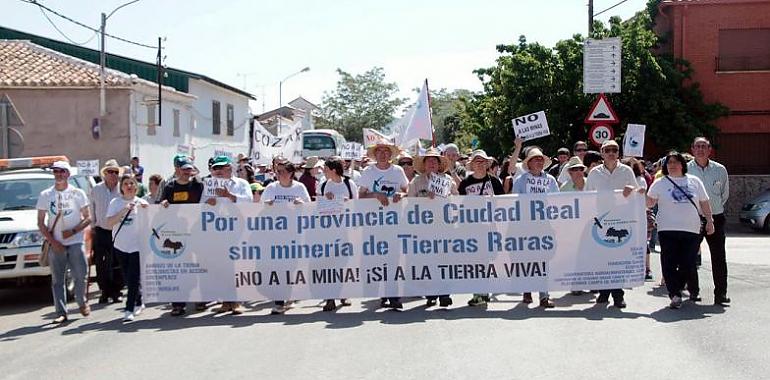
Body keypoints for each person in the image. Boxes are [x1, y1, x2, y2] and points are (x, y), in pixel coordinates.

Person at [647, 151, 715, 309]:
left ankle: (678, 286)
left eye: (675, 162)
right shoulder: (660, 182)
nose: (672, 165)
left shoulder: (694, 181)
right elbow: (649, 203)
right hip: (667, 229)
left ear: (682, 165)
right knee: (668, 262)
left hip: (691, 228)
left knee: (688, 262)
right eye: (669, 162)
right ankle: (675, 294)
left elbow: (704, 202)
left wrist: (710, 221)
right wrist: (640, 195)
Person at [585, 140, 644, 309]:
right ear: (602, 153)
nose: (611, 152)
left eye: (614, 150)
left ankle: (618, 295)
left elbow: (637, 193)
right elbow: (588, 197)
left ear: (618, 153)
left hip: (621, 220)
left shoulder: (627, 171)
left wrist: (631, 191)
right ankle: (604, 293)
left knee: (618, 260)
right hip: (601, 222)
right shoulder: (594, 173)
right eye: (607, 150)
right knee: (602, 259)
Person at [36, 161, 91, 324]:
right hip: (56, 243)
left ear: (68, 174)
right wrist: (53, 242)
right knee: (57, 280)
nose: (58, 174)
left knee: (80, 275)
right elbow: (40, 222)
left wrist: (73, 231)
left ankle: (81, 302)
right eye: (55, 172)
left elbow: (88, 218)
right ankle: (61, 312)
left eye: (61, 171)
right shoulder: (46, 195)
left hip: (75, 241)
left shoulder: (77, 193)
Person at [359, 141, 409, 310]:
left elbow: (407, 191)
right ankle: (382, 292)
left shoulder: (398, 171)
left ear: (390, 155)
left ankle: (394, 295)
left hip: (394, 223)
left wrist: (401, 194)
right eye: (379, 151)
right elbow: (361, 196)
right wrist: (375, 195)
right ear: (375, 154)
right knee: (377, 260)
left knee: (393, 259)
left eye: (385, 151)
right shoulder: (368, 171)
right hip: (374, 224)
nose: (382, 154)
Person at [201, 156, 254, 315]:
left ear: (229, 169)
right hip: (218, 231)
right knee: (222, 267)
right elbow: (200, 205)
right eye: (215, 168)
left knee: (236, 267)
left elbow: (249, 202)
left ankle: (236, 301)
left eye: (221, 168)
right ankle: (226, 301)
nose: (217, 171)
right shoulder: (208, 185)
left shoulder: (241, 184)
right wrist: (208, 203)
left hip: (238, 230)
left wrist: (229, 195)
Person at [408, 147, 459, 307]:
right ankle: (430, 293)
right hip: (423, 231)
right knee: (427, 262)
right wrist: (424, 201)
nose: (431, 163)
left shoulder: (447, 180)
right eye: (428, 160)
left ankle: (444, 294)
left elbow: (457, 199)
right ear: (424, 164)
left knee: (444, 261)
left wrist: (445, 197)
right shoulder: (416, 182)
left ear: (439, 164)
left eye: (434, 160)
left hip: (444, 228)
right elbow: (409, 203)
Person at [261, 157, 310, 314]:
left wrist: (301, 205)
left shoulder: (299, 187)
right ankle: (279, 301)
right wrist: (267, 205)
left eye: (282, 172)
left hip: (294, 234)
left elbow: (309, 206)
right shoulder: (271, 187)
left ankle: (290, 296)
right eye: (277, 171)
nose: (278, 174)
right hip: (275, 235)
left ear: (290, 173)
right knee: (277, 267)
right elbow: (258, 207)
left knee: (291, 267)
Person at [511, 148, 558, 308]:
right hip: (525, 226)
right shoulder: (520, 181)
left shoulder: (551, 180)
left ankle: (544, 295)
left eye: (541, 159)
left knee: (543, 260)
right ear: (529, 163)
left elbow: (558, 201)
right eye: (535, 159)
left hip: (544, 226)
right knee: (526, 260)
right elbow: (513, 203)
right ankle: (527, 290)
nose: (539, 162)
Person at [159, 155, 205, 316]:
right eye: (184, 169)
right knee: (179, 269)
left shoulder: (198, 185)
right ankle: (178, 303)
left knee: (199, 267)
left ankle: (200, 299)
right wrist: (163, 204)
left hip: (196, 231)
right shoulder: (169, 187)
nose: (187, 172)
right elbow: (160, 206)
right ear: (177, 169)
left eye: (189, 169)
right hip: (177, 234)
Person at [688, 137, 731, 305]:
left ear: (709, 149)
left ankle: (721, 294)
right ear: (692, 149)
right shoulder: (686, 169)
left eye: (703, 146)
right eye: (697, 146)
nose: (700, 149)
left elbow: (724, 194)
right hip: (693, 218)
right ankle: (693, 292)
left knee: (719, 257)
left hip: (716, 217)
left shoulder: (720, 170)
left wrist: (712, 212)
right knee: (689, 256)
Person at [460, 150, 504, 307]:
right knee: (473, 262)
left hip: (489, 227)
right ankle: (478, 293)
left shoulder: (495, 182)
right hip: (472, 228)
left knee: (485, 261)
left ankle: (483, 293)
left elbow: (503, 204)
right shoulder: (465, 183)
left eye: (483, 161)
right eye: (477, 161)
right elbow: (459, 205)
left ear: (487, 164)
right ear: (472, 164)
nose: (480, 164)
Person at [105, 174, 149, 322]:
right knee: (127, 277)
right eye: (126, 184)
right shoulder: (115, 203)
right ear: (121, 187)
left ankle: (129, 308)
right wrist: (124, 210)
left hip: (137, 246)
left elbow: (153, 220)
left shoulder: (142, 202)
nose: (129, 186)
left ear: (136, 187)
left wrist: (149, 209)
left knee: (133, 277)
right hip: (120, 245)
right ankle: (138, 299)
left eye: (131, 183)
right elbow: (109, 223)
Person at [317, 157, 358, 311]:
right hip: (327, 233)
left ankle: (343, 293)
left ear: (333, 170)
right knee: (329, 265)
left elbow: (358, 205)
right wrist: (324, 199)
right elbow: (318, 206)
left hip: (345, 231)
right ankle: (329, 297)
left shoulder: (349, 184)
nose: (324, 172)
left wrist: (348, 203)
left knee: (343, 265)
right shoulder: (323, 185)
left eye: (326, 169)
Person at [90, 159, 125, 304]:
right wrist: (92, 226)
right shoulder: (96, 189)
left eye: (116, 172)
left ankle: (116, 291)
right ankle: (104, 290)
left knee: (117, 262)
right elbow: (91, 208)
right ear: (105, 174)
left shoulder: (121, 190)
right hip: (101, 230)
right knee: (101, 263)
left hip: (118, 230)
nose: (113, 175)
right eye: (110, 172)